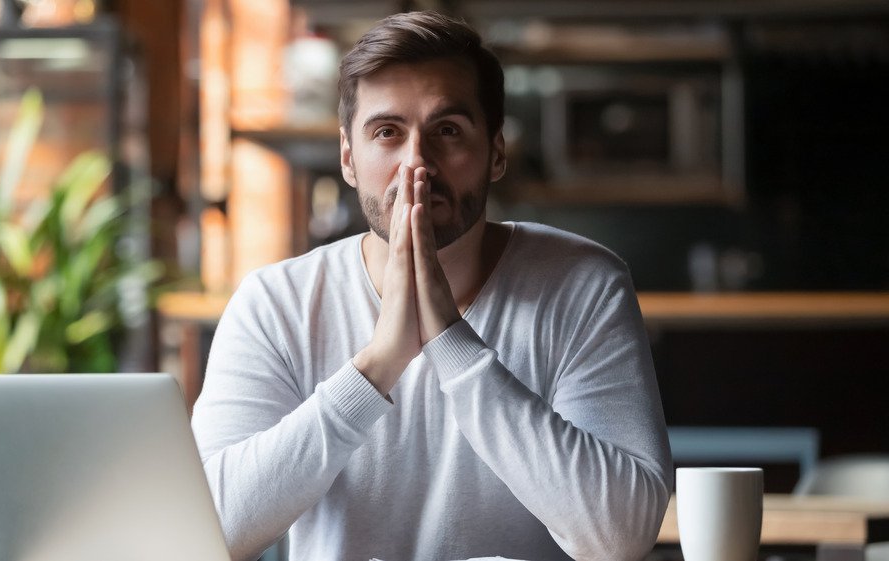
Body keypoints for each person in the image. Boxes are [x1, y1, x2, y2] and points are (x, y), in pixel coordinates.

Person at [192, 11, 672, 561]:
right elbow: (210, 531)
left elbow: (622, 537)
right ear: (349, 157)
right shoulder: (275, 305)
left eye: (447, 131)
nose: (416, 162)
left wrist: (451, 341)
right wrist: (376, 366)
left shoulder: (583, 285)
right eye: (387, 132)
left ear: (495, 153)